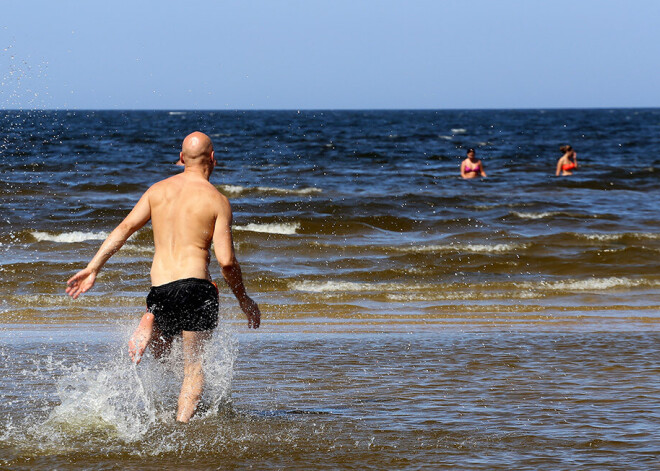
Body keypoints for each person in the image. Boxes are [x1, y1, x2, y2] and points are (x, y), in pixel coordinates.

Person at [66, 131, 261, 423]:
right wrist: (244, 299)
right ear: (213, 159)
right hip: (196, 287)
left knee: (162, 354)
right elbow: (227, 263)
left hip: (160, 290)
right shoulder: (217, 200)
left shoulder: (156, 190)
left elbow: (125, 228)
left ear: (181, 159)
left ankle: (151, 317)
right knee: (193, 367)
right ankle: (182, 429)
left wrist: (93, 267)